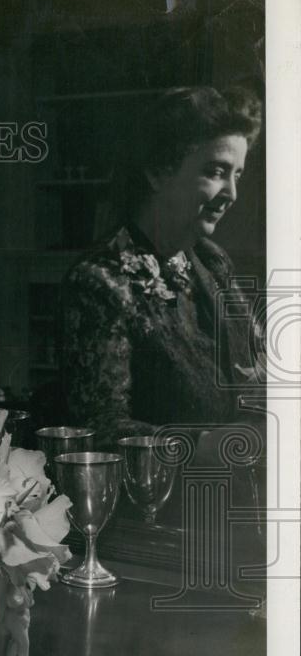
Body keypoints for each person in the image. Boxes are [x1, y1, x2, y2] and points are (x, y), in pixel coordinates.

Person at [59, 86, 265, 449]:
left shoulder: (212, 261)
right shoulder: (100, 281)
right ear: (157, 172)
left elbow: (257, 360)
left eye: (238, 175)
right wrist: (204, 445)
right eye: (216, 171)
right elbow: (98, 426)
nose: (232, 193)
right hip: (158, 495)